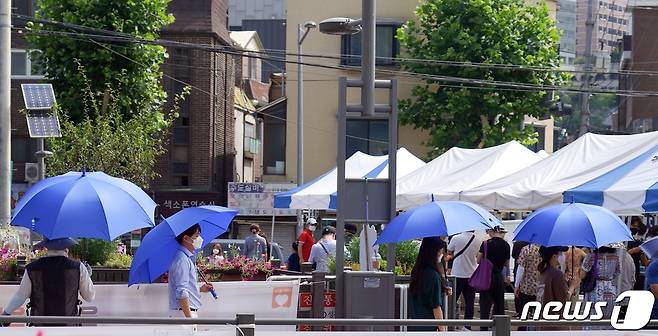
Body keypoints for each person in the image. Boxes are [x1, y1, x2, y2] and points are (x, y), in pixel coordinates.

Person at [1, 238, 95, 324]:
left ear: (46, 246)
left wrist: (6, 314)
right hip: (69, 327)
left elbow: (20, 296)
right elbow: (89, 297)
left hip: (40, 328)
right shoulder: (78, 268)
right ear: (66, 247)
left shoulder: (32, 268)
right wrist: (88, 276)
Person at [169, 224, 214, 318]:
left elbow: (186, 287)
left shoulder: (187, 258)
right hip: (184, 314)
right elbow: (181, 291)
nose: (200, 239)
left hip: (186, 312)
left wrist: (200, 289)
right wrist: (189, 318)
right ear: (185, 238)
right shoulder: (182, 259)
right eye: (196, 236)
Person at [408, 237, 447, 332]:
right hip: (430, 327)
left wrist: (442, 289)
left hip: (415, 324)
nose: (440, 255)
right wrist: (443, 331)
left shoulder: (416, 270)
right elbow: (436, 307)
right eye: (440, 252)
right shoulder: (433, 275)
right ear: (433, 252)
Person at [444, 230, 480, 325]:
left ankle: (450, 323)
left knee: (452, 300)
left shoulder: (456, 238)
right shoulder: (478, 240)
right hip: (472, 274)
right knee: (470, 303)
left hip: (457, 274)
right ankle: (467, 326)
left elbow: (449, 252)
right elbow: (477, 255)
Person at [478, 226, 511, 326]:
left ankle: (484, 328)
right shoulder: (506, 245)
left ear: (492, 231)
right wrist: (507, 275)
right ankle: (499, 328)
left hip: (487, 276)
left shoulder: (486, 244)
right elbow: (506, 263)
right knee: (499, 303)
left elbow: (478, 260)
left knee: (485, 303)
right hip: (499, 276)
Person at [580, 245, 621, 321]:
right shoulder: (616, 257)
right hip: (610, 290)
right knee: (608, 316)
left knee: (593, 316)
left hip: (595, 289)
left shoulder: (591, 256)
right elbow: (617, 272)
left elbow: (582, 275)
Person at [537, 246, 569, 331]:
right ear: (554, 256)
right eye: (560, 254)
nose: (562, 256)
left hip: (544, 321)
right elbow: (564, 298)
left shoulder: (543, 272)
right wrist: (572, 286)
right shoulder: (557, 274)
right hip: (556, 324)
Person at [514, 243, 541, 329]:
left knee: (523, 315)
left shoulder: (526, 249)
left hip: (526, 287)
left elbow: (520, 269)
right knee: (537, 315)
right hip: (540, 288)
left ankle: (522, 332)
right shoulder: (544, 250)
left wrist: (516, 285)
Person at [627, 217, 647, 289]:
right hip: (624, 272)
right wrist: (631, 251)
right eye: (634, 226)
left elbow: (644, 262)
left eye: (637, 227)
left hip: (635, 272)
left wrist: (642, 253)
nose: (636, 229)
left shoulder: (638, 242)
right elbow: (620, 256)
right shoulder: (622, 241)